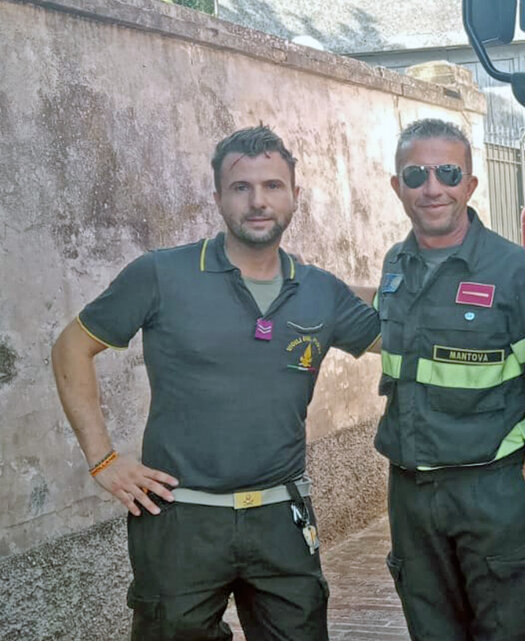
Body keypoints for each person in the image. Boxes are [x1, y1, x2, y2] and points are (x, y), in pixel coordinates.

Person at [50, 125, 381, 640]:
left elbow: (401, 337)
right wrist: (103, 459)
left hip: (282, 519)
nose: (258, 201)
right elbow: (72, 346)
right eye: (240, 187)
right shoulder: (161, 274)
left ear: (295, 195)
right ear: (218, 198)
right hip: (180, 521)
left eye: (272, 186)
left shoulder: (321, 291)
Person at [374, 118, 525, 641]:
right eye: (415, 175)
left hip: (491, 491)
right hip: (411, 493)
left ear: (470, 184)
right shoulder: (395, 266)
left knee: (509, 629)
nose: (431, 188)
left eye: (447, 173)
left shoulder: (517, 272)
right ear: (397, 186)